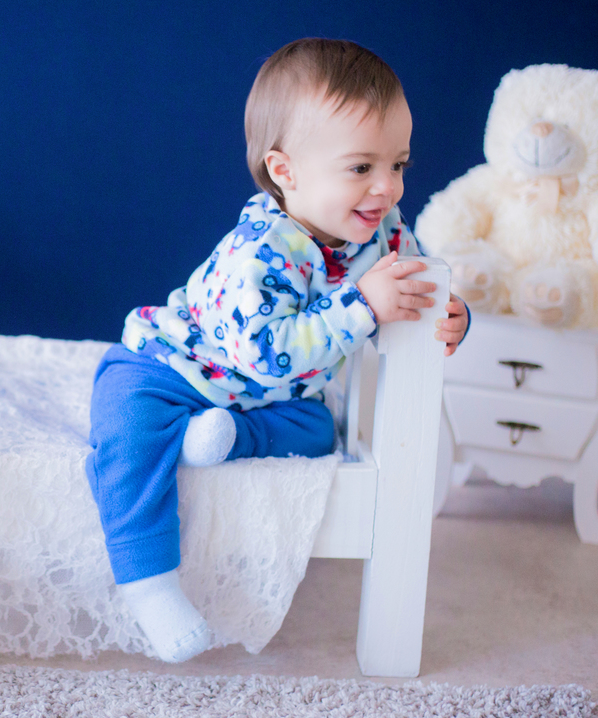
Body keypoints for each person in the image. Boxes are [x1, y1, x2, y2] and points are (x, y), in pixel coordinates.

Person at [85, 38, 469, 663]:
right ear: (285, 172)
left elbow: (423, 282)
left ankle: (226, 437)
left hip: (271, 400)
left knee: (319, 431)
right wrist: (363, 306)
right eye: (360, 167)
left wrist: (449, 315)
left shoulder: (383, 232)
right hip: (173, 369)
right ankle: (148, 584)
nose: (387, 188)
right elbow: (267, 354)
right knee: (126, 436)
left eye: (398, 163)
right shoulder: (261, 248)